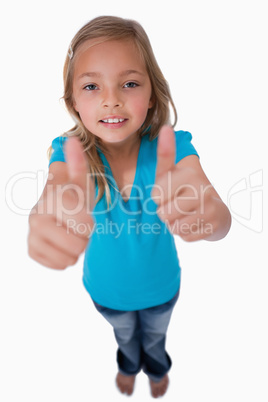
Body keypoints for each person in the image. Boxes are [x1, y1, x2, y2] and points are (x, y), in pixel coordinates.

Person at [28, 16, 231, 398]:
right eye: (92, 86)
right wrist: (52, 209)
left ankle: (156, 367)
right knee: (124, 337)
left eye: (130, 83)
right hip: (107, 293)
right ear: (73, 101)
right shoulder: (69, 153)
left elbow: (219, 217)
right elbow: (59, 185)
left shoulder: (173, 147)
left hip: (162, 289)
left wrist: (211, 217)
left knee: (155, 337)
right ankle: (127, 364)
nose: (111, 99)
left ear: (152, 94)